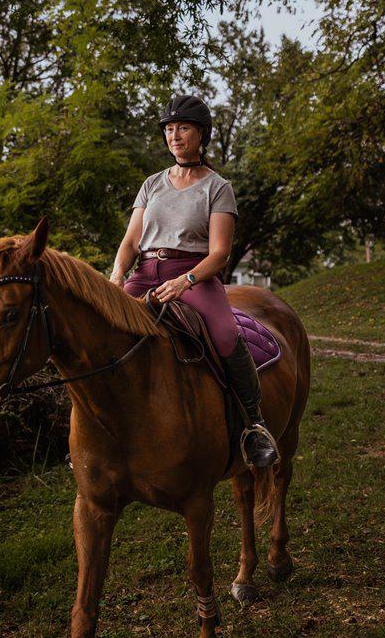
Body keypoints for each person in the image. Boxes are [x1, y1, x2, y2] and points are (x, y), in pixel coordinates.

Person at [110, 92, 279, 468]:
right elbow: (130, 241)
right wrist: (118, 274)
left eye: (182, 128)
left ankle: (254, 425)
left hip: (195, 275)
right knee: (105, 328)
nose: (174, 135)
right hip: (144, 272)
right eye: (169, 129)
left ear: (201, 134)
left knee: (224, 334)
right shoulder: (152, 184)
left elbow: (219, 253)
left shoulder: (217, 187)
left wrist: (186, 280)